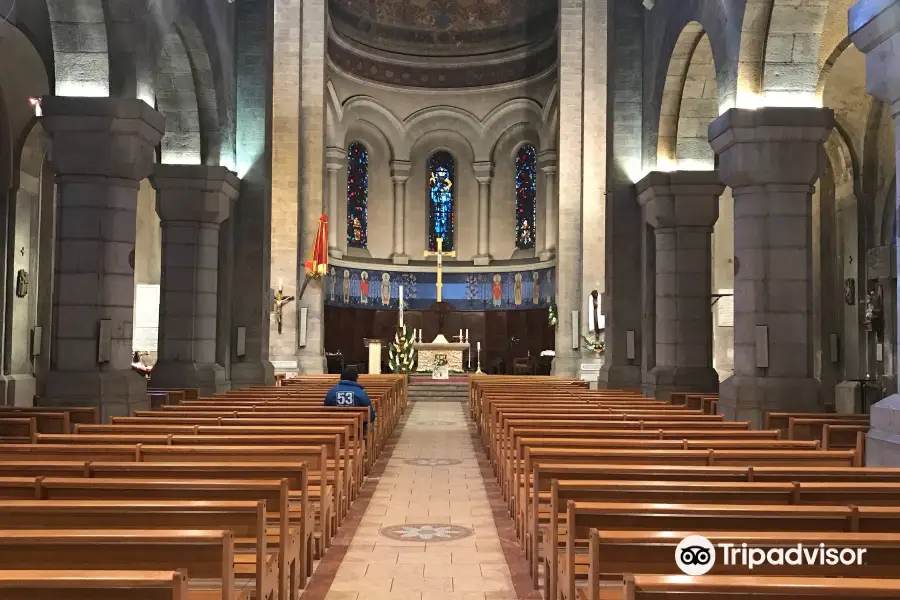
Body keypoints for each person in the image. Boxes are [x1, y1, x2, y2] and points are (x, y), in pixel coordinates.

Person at [324, 367, 375, 435]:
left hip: (334, 429)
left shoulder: (331, 392)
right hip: (356, 430)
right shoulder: (360, 393)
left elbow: (325, 408)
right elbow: (370, 416)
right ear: (356, 379)